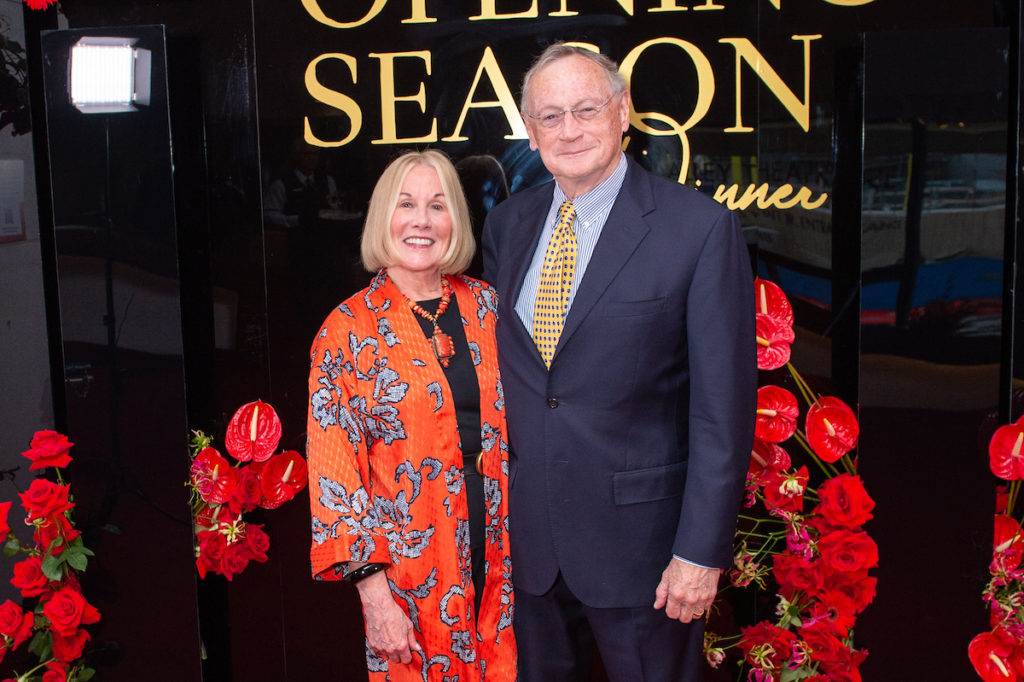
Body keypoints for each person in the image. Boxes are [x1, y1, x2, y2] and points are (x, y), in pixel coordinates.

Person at [481, 43, 757, 681]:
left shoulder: (699, 228)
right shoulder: (508, 226)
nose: (569, 129)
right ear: (529, 128)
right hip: (532, 552)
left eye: (586, 108)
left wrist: (700, 552)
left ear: (624, 111)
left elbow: (722, 410)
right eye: (550, 116)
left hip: (648, 557)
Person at [307, 150, 516, 681]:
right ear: (384, 217)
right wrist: (374, 598)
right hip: (410, 581)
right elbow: (336, 479)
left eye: (437, 205)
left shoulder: (490, 308)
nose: (421, 220)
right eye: (406, 204)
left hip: (508, 571)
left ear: (456, 222)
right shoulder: (347, 331)